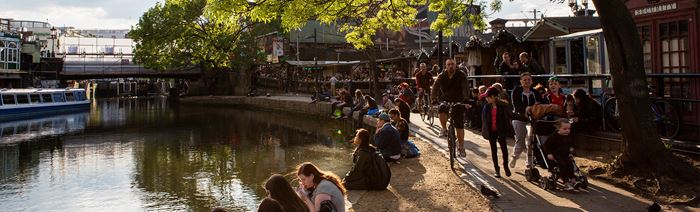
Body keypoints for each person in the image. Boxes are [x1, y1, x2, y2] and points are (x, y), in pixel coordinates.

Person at [431, 59, 472, 157]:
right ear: (446, 66)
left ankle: (461, 147)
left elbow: (465, 87)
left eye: (452, 64)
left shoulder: (461, 75)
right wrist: (434, 99)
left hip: (458, 100)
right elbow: (435, 88)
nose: (450, 66)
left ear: (455, 65)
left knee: (459, 125)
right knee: (441, 109)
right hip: (445, 99)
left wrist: (466, 99)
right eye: (448, 64)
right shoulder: (442, 76)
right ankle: (444, 128)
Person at [509, 72, 544, 169]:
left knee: (530, 142)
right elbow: (516, 105)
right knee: (520, 141)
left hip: (532, 119)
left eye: (529, 80)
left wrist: (535, 107)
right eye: (524, 80)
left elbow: (541, 102)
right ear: (521, 81)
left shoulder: (534, 92)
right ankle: (514, 157)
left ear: (532, 81)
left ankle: (529, 162)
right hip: (519, 118)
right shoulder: (516, 91)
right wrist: (526, 109)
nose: (527, 81)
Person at [481, 87, 513, 178]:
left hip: (501, 130)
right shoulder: (487, 107)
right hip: (491, 131)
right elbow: (484, 119)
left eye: (488, 97)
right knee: (494, 150)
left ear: (493, 97)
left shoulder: (503, 106)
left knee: (504, 150)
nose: (486, 99)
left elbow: (510, 115)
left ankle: (505, 166)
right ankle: (496, 169)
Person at [543, 118, 576, 191]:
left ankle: (573, 178)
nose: (567, 130)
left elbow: (571, 142)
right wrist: (549, 153)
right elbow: (546, 145)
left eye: (569, 129)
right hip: (556, 155)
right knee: (563, 165)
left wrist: (572, 148)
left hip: (565, 154)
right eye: (565, 129)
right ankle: (566, 182)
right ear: (558, 128)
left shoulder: (568, 135)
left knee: (570, 164)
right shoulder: (554, 136)